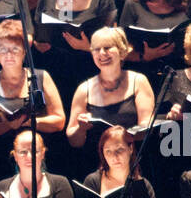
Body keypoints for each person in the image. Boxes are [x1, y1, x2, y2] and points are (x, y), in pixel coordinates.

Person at [0, 18, 64, 181]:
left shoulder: (41, 77)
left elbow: (59, 121)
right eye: (3, 49)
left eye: (15, 49)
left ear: (24, 52)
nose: (9, 55)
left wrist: (26, 121)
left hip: (37, 158)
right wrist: (7, 125)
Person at [31, 0, 117, 104]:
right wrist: (38, 44)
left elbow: (113, 39)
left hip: (91, 71)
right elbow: (38, 33)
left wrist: (88, 47)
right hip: (54, 71)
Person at [64, 26, 155, 172]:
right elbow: (74, 141)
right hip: (96, 167)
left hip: (133, 164)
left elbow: (146, 127)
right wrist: (81, 128)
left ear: (122, 52)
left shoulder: (138, 81)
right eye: (96, 49)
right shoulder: (84, 90)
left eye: (107, 48)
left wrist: (122, 136)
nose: (102, 53)